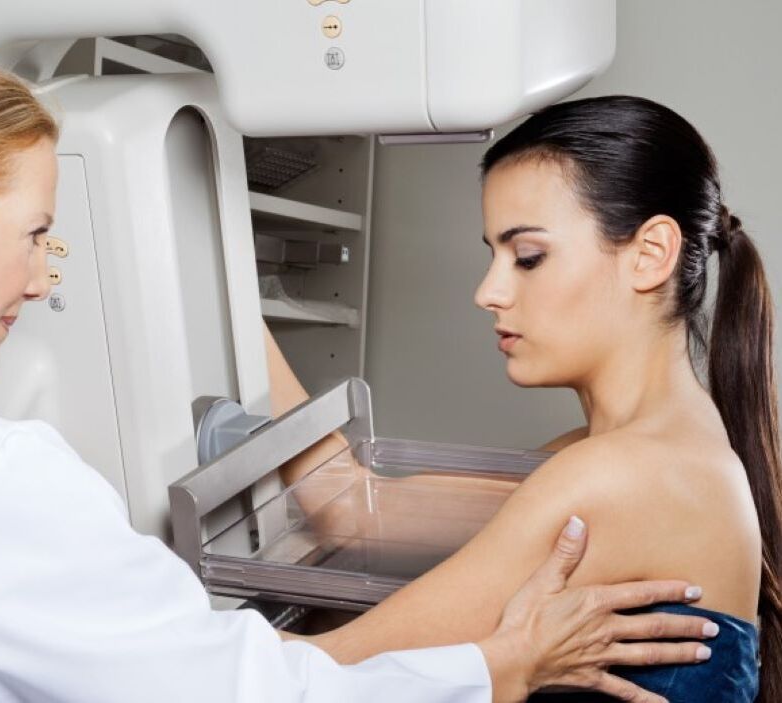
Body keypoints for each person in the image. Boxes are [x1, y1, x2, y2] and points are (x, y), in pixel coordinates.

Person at [0, 38, 715, 702]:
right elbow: (262, 681)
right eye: (38, 232)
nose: (44, 278)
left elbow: (349, 508)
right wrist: (494, 668)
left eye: (523, 254)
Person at [267, 95, 772, 701]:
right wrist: (222, 296)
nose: (488, 291)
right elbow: (349, 504)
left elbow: (318, 672)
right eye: (494, 254)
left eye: (528, 257)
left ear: (650, 254)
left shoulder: (624, 475)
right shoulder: (639, 450)